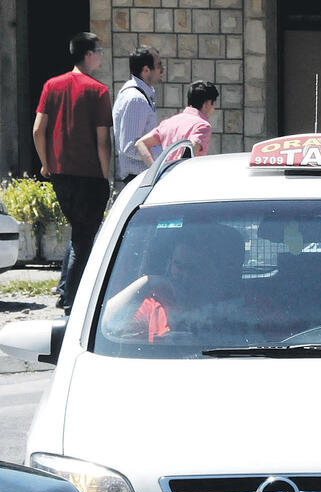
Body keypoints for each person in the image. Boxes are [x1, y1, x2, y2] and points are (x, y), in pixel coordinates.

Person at [33, 32, 113, 314]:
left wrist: (46, 164)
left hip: (60, 174)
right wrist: (105, 176)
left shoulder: (52, 85)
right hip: (90, 175)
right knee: (83, 239)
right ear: (89, 54)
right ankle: (72, 302)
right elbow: (103, 141)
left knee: (78, 232)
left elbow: (38, 130)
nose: (101, 55)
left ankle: (65, 290)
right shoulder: (98, 91)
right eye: (99, 50)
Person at [101, 225, 244, 343]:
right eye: (178, 265)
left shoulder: (233, 309)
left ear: (213, 271)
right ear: (169, 265)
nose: (185, 275)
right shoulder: (155, 304)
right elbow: (105, 325)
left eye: (194, 268)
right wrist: (147, 282)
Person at [112, 46, 163, 187]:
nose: (162, 69)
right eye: (159, 65)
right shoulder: (136, 99)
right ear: (146, 70)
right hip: (138, 179)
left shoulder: (140, 95)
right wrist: (162, 154)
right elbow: (129, 147)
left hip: (141, 178)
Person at [135, 80, 219, 166]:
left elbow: (141, 143)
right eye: (214, 104)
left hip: (166, 172)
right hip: (185, 173)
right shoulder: (202, 126)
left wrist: (154, 169)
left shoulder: (169, 122)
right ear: (208, 103)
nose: (214, 109)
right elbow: (188, 152)